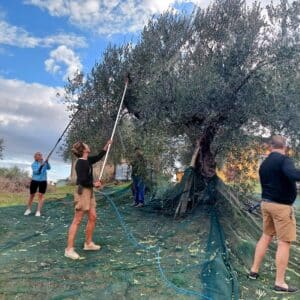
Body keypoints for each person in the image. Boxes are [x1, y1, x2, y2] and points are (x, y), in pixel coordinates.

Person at [249, 135, 300, 293]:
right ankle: (279, 283)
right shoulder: (284, 160)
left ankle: (254, 271)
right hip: (281, 208)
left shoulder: (265, 163)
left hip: (266, 204)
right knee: (284, 242)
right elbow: (294, 176)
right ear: (284, 146)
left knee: (266, 236)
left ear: (270, 146)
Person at [65, 140, 112, 260]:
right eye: (86, 145)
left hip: (89, 192)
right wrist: (94, 183)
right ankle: (69, 249)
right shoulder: (80, 163)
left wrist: (106, 146)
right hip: (83, 192)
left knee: (92, 217)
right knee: (77, 220)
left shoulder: (87, 160)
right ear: (83, 150)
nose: (88, 145)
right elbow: (81, 180)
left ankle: (88, 243)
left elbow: (98, 157)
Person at [24, 152, 51, 217]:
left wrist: (47, 162)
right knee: (32, 195)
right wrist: (41, 165)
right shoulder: (33, 164)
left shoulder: (44, 162)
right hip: (34, 181)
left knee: (40, 195)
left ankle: (38, 211)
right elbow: (37, 172)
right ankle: (28, 209)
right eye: (38, 155)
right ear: (36, 157)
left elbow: (49, 168)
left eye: (41, 155)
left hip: (43, 181)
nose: (40, 156)